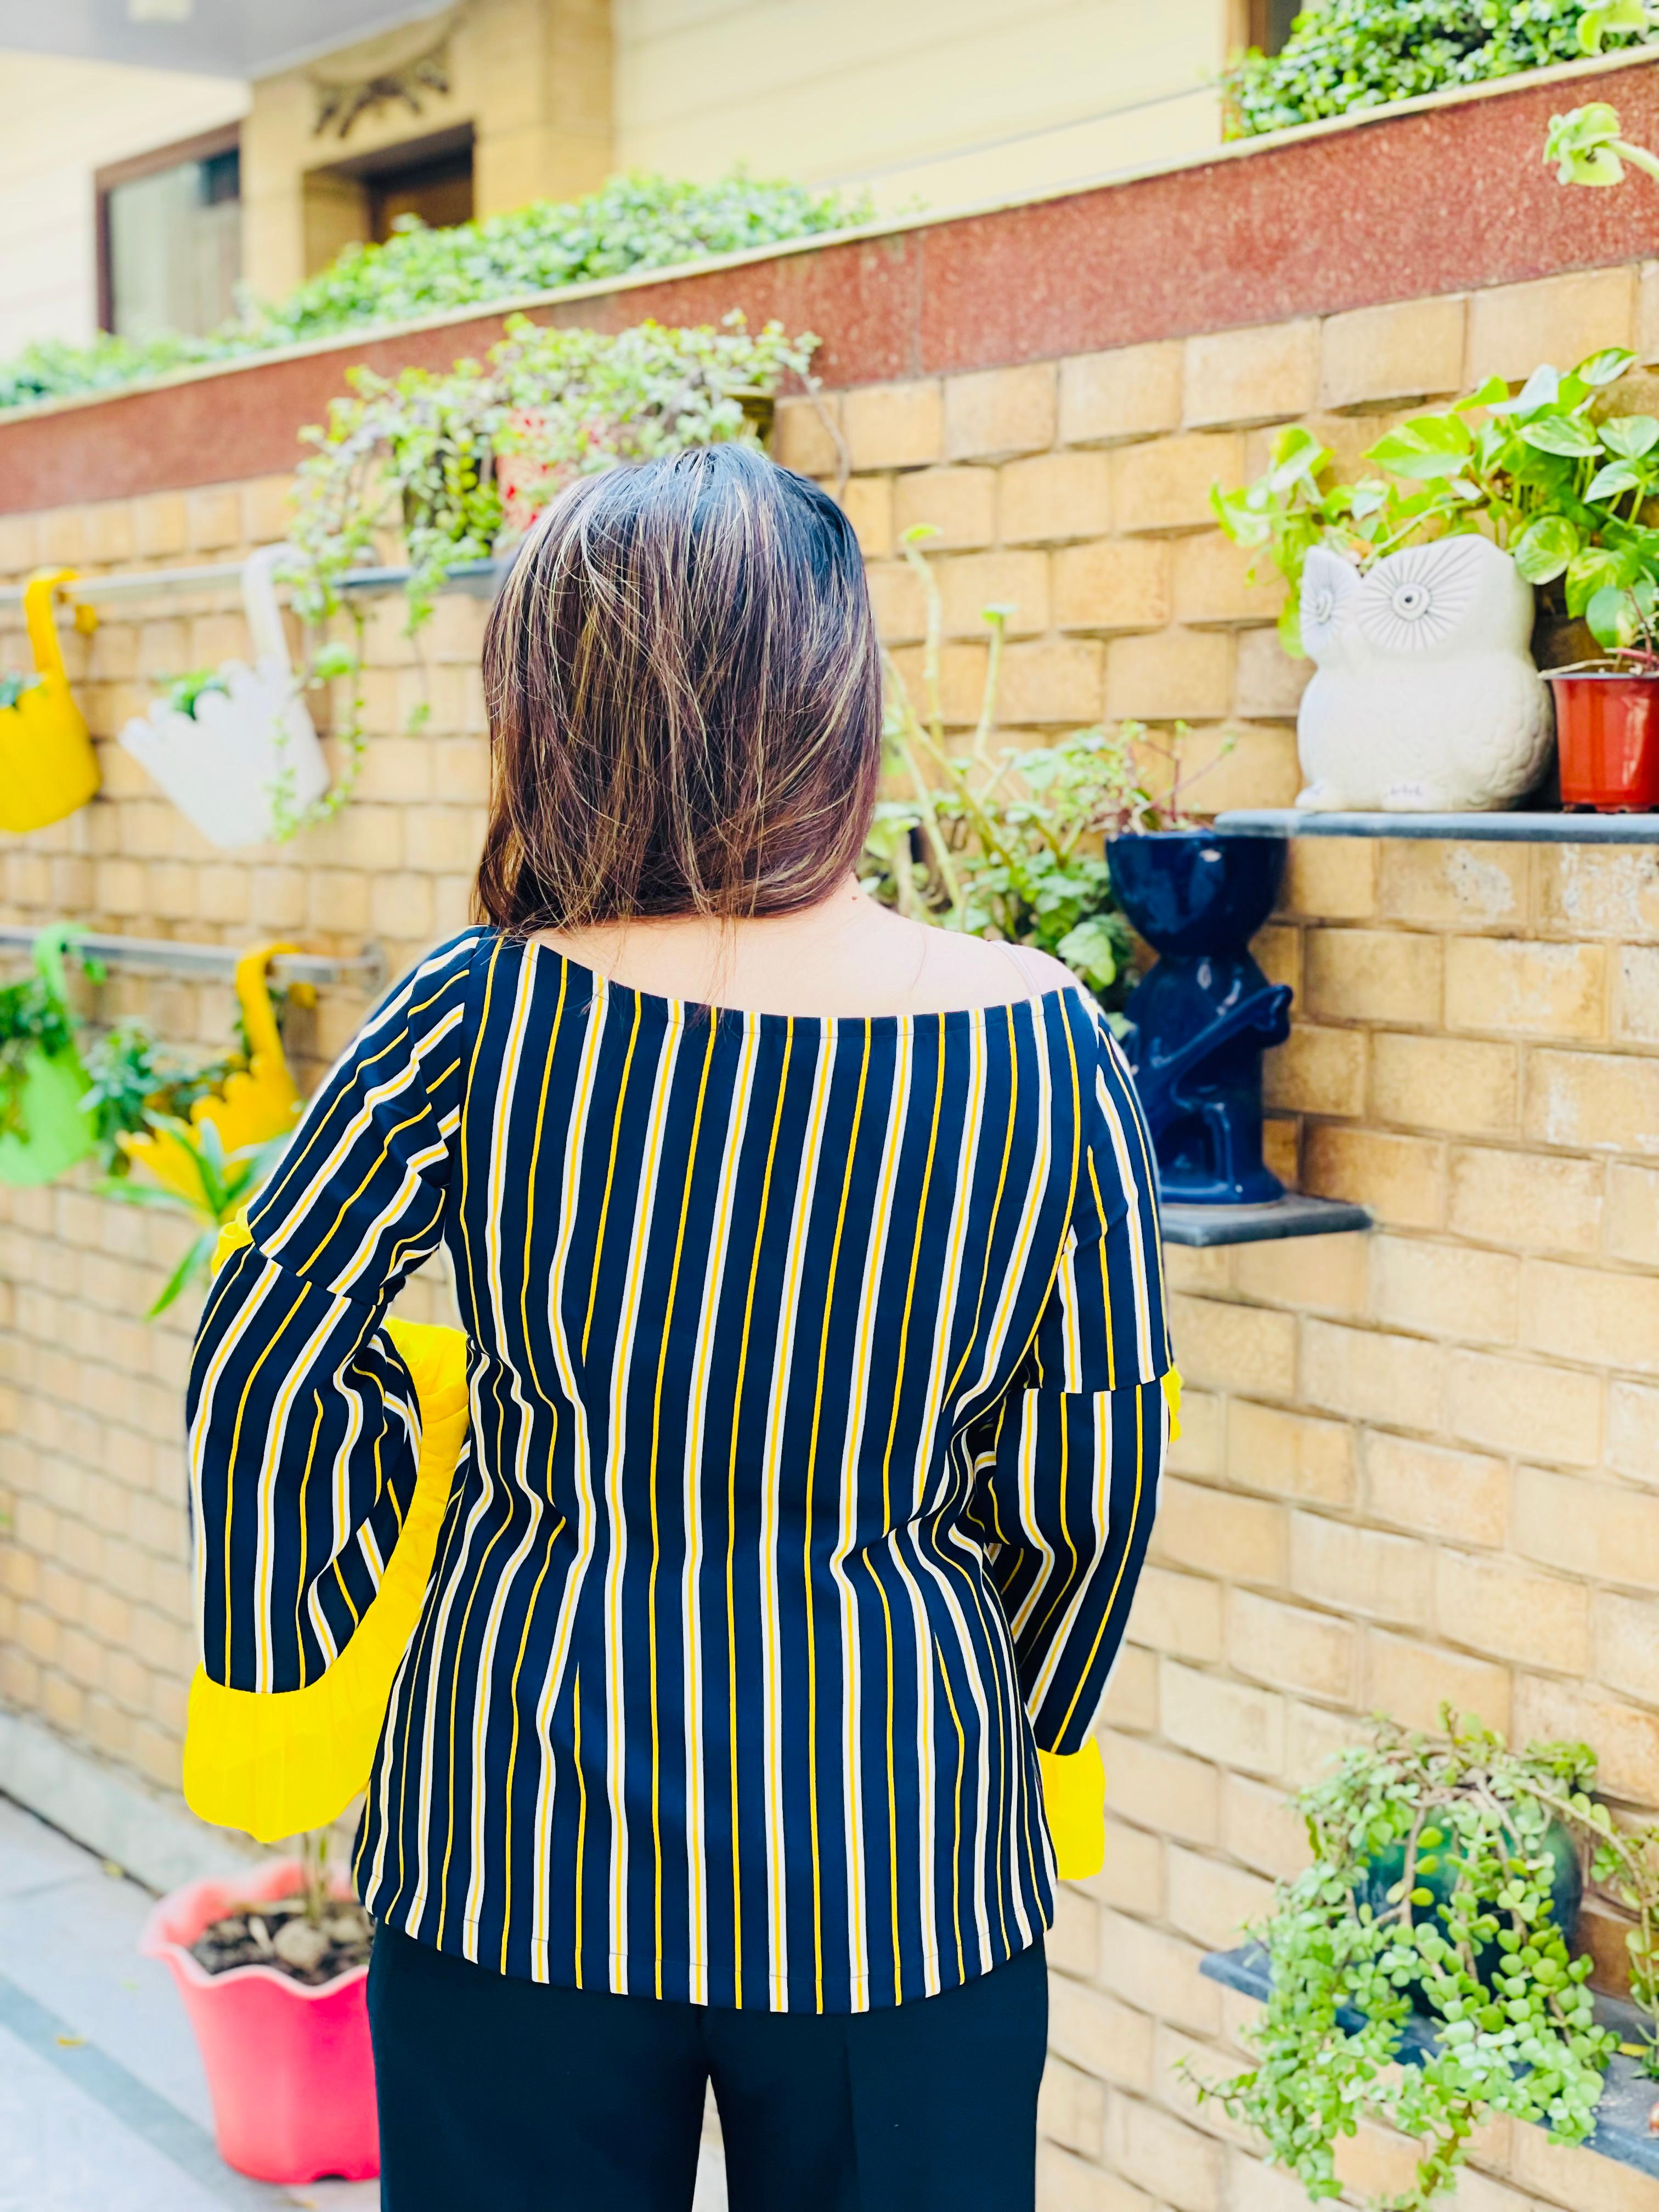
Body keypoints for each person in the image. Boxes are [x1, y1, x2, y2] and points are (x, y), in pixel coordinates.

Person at [187, 442, 1172, 2212]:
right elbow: (1089, 1472)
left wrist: (310, 1637)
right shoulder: (1048, 1041)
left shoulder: (480, 1014)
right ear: (840, 701)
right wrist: (1019, 1717)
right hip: (899, 1824)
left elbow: (267, 1341)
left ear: (548, 706)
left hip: (516, 1805)